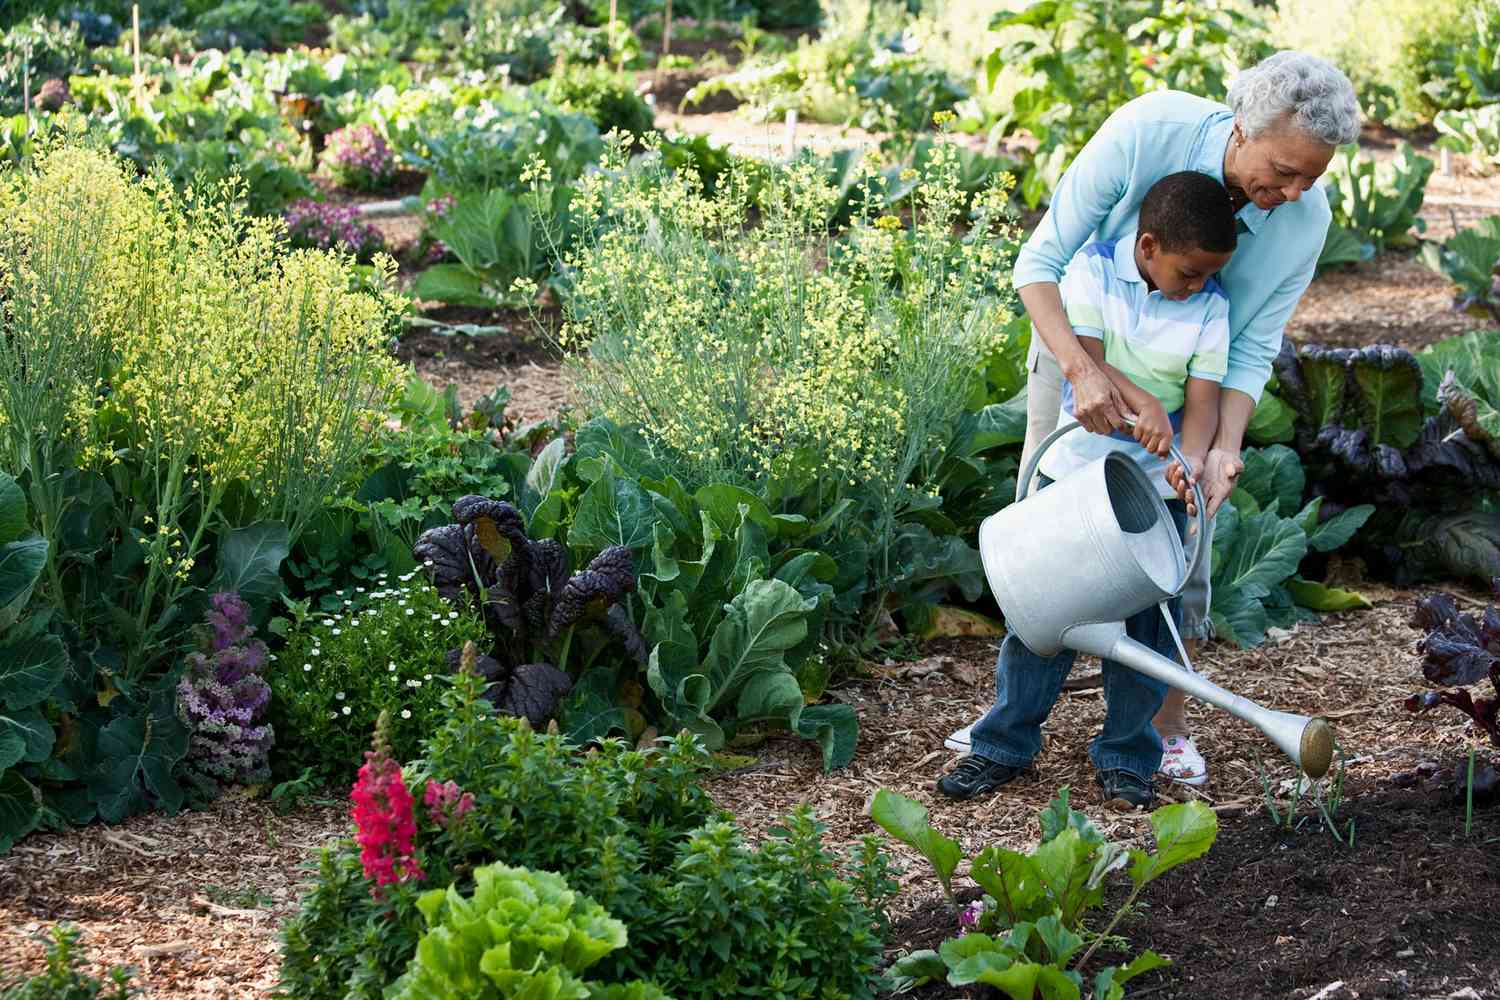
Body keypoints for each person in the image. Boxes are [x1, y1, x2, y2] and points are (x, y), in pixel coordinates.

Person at [994, 51, 1359, 787]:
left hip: (1190, 383)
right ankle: (1007, 725)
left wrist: (1221, 448)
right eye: (1284, 171)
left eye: (1311, 178)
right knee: (1051, 539)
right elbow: (1038, 263)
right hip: (1081, 350)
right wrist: (1083, 372)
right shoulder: (1146, 130)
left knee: (1175, 549)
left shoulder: (1302, 219)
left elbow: (1252, 345)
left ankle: (1158, 733)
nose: (1292, 193)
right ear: (1242, 126)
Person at [936, 170, 1237, 809]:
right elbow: (1089, 369)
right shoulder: (1090, 272)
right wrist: (1148, 403)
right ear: (1149, 246)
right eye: (1188, 272)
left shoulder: (1211, 309)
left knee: (1147, 633)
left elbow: (1205, 404)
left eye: (1209, 275)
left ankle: (1129, 757)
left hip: (1151, 491)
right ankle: (1003, 745)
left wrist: (1192, 456)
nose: (1198, 287)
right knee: (1043, 620)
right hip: (1073, 479)